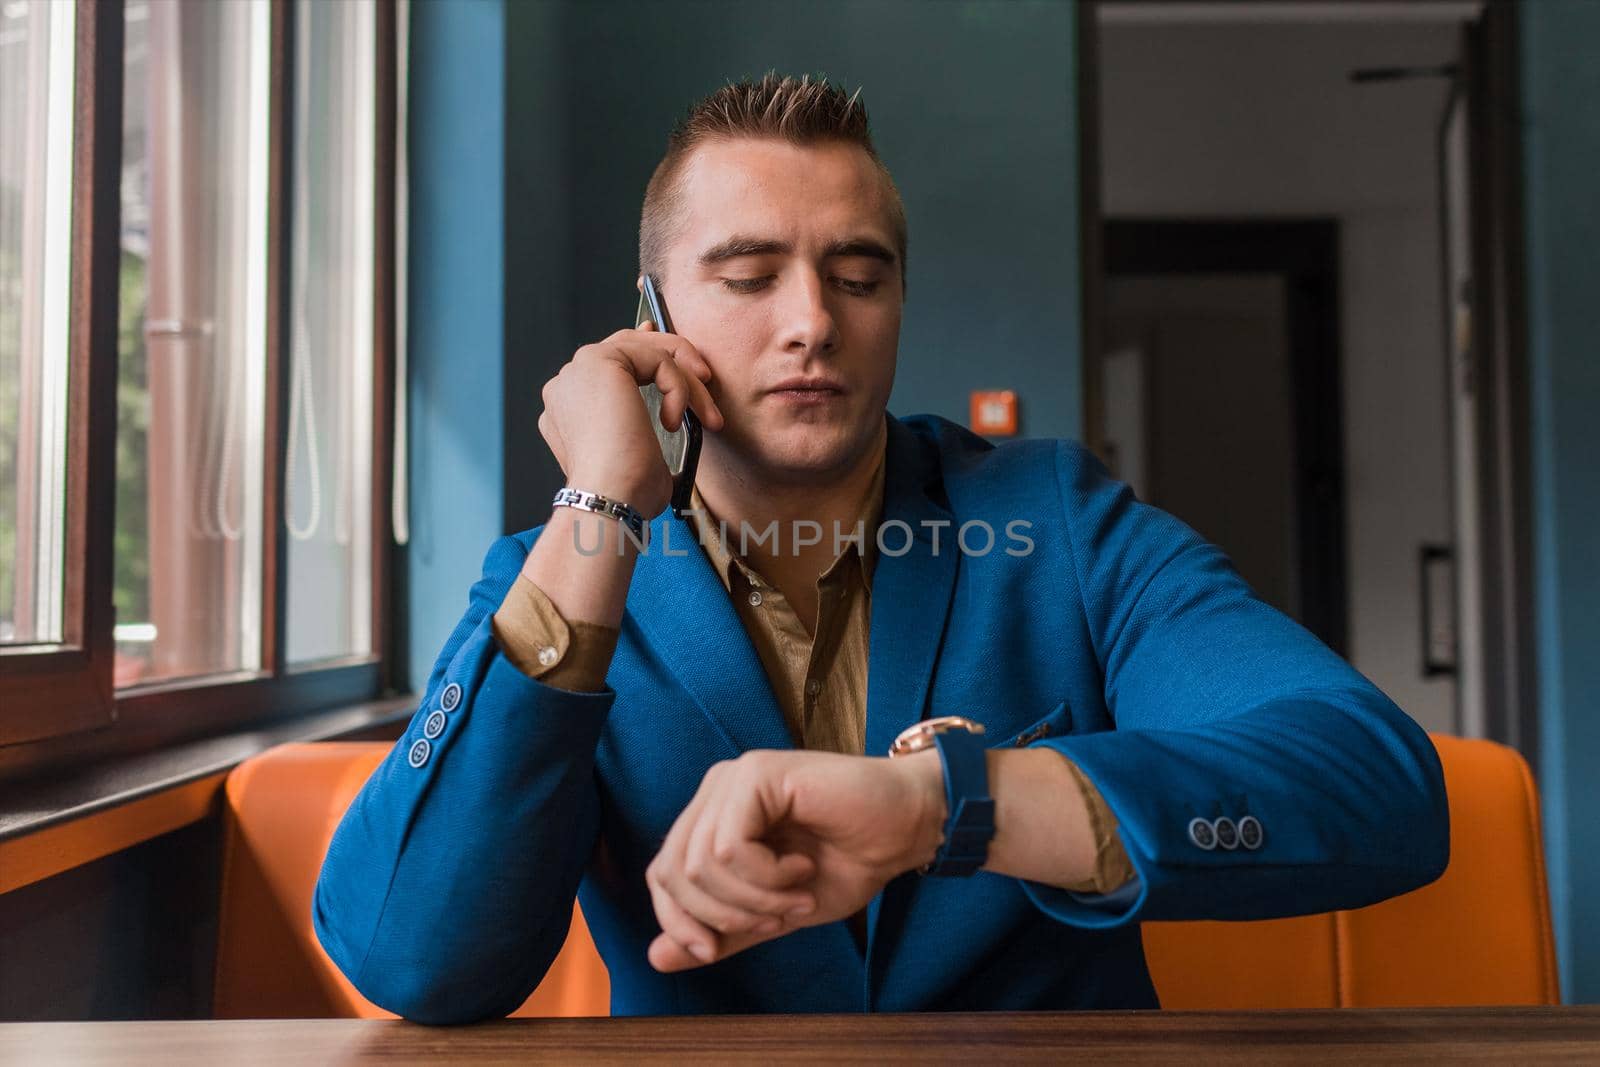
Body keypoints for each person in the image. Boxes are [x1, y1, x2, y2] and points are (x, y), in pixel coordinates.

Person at [314, 73, 1448, 1024]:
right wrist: (601, 506)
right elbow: (415, 957)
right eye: (749, 277)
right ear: (653, 315)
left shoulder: (1055, 517)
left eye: (857, 277)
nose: (811, 320)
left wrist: (949, 803)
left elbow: (1375, 783)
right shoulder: (562, 569)